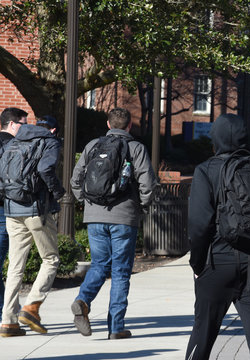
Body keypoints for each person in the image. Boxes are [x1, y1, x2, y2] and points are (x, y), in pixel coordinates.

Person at [186, 114, 250, 360]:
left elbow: (199, 226)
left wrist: (198, 264)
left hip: (218, 262)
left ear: (215, 137)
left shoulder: (206, 170)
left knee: (203, 334)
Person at [69, 108, 157, 339]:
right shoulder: (136, 148)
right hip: (124, 217)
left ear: (108, 125)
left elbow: (75, 180)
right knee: (120, 271)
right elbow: (147, 182)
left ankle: (83, 300)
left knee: (99, 265)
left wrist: (87, 203)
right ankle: (116, 328)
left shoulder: (92, 146)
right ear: (129, 126)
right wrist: (143, 207)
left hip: (95, 216)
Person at [0, 117, 65, 337]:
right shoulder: (50, 142)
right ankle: (31, 306)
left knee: (15, 266)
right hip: (36, 210)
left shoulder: (14, 142)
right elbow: (46, 169)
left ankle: (8, 321)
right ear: (53, 130)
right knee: (51, 259)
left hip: (11, 210)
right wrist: (58, 193)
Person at [0, 108, 27, 324]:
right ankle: (5, 312)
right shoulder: (12, 146)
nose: (25, 129)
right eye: (23, 124)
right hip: (5, 208)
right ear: (12, 125)